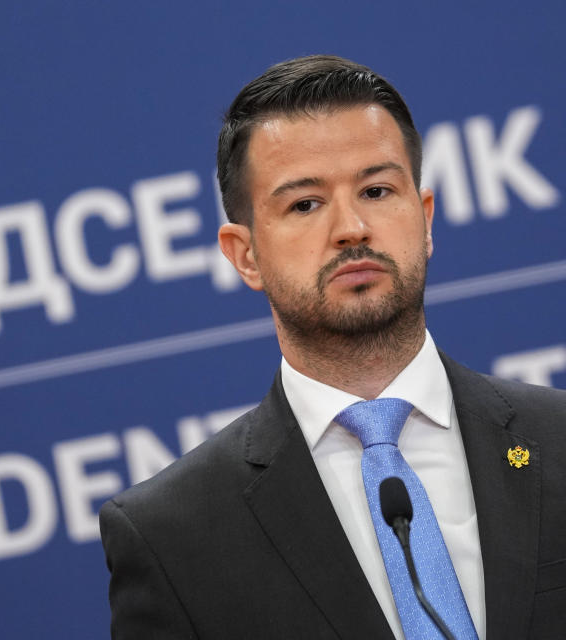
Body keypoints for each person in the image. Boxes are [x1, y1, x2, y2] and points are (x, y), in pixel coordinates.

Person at [99, 55, 566, 639]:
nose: (351, 227)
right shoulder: (172, 535)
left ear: (424, 220)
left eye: (376, 190)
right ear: (245, 254)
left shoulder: (558, 441)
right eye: (305, 204)